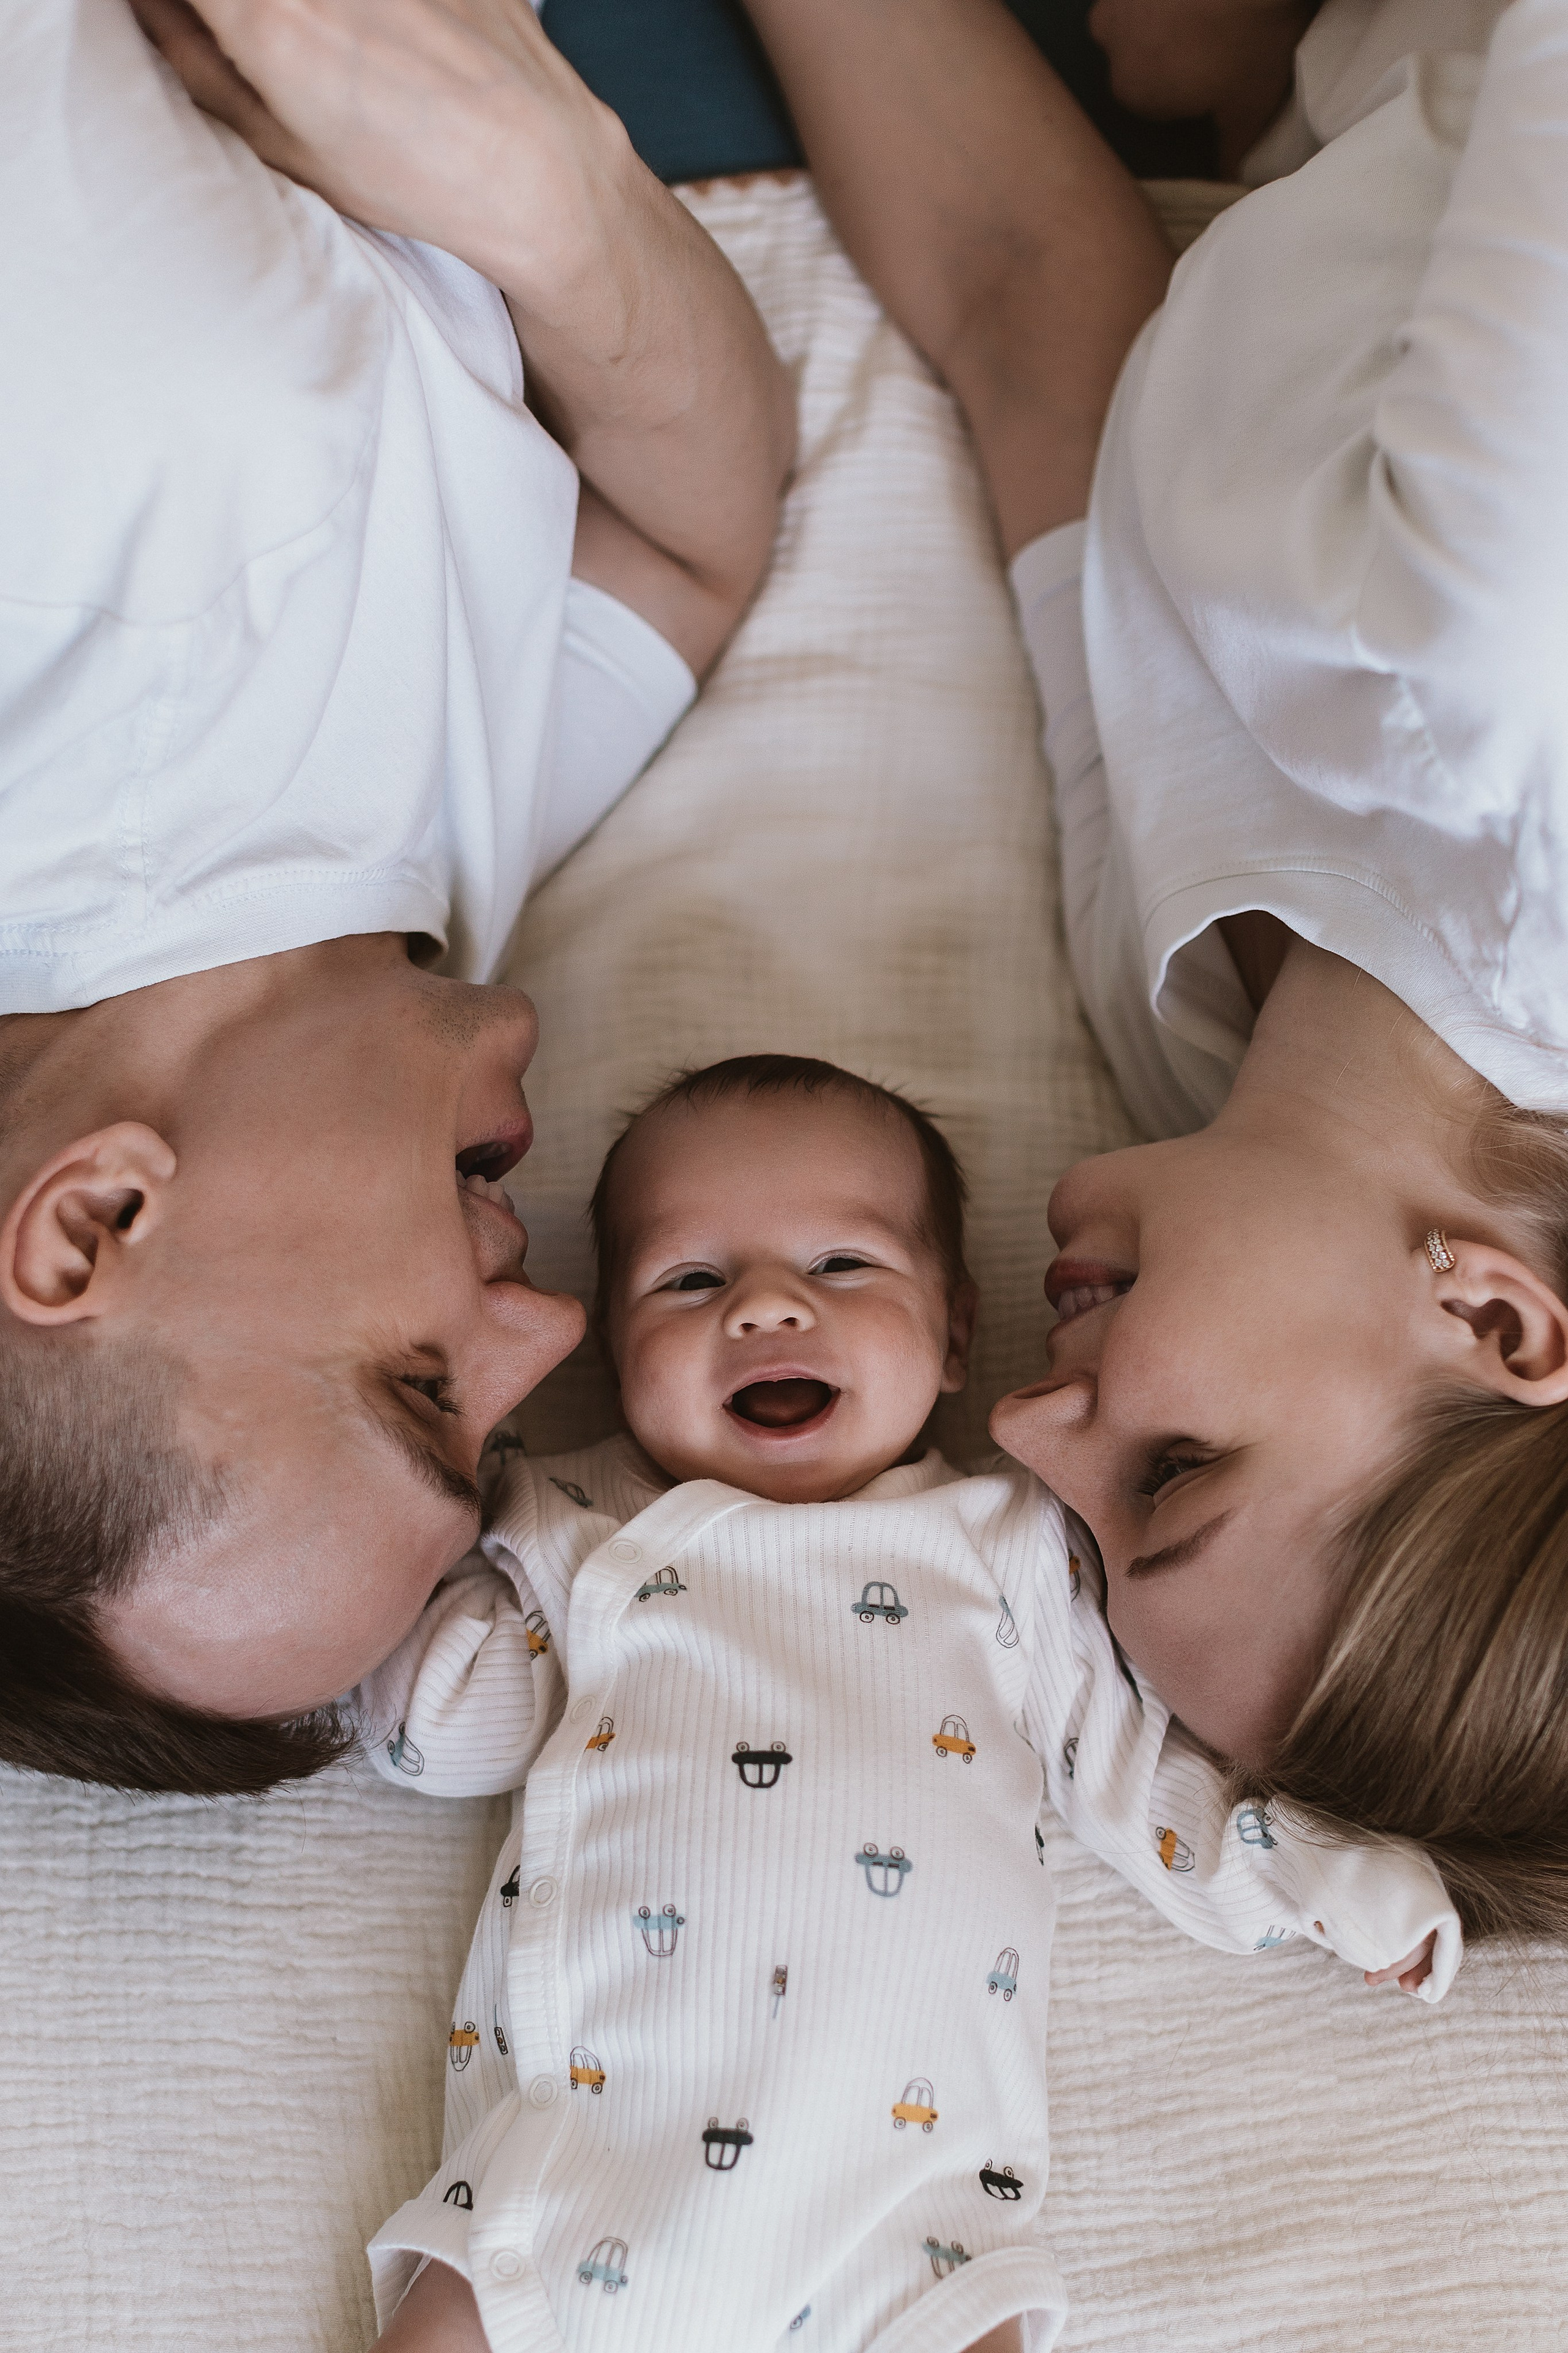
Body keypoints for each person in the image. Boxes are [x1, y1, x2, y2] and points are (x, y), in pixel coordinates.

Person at [721, 0, 1568, 1939]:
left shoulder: (1191, 1024)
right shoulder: (1517, 693)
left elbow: (1036, 310)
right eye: (1172, 1472)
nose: (1026, 1429)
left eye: (1090, 1549)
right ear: (1501, 1330)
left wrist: (1305, 100)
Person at [346, 1057, 1453, 2353]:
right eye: (690, 1279)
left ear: (952, 1334)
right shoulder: (575, 1525)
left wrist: (1320, 1881)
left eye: (841, 1267)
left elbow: (1135, 1772)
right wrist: (436, 1521)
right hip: (589, 2146)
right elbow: (442, 1735)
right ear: (612, 1337)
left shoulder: (1005, 1549)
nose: (764, 1306)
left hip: (906, 2201)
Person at [0, 0, 793, 1792]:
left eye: (425, 1388)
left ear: (95, 1222)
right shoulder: (407, 928)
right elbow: (697, 538)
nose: (555, 1329)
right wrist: (550, 191)